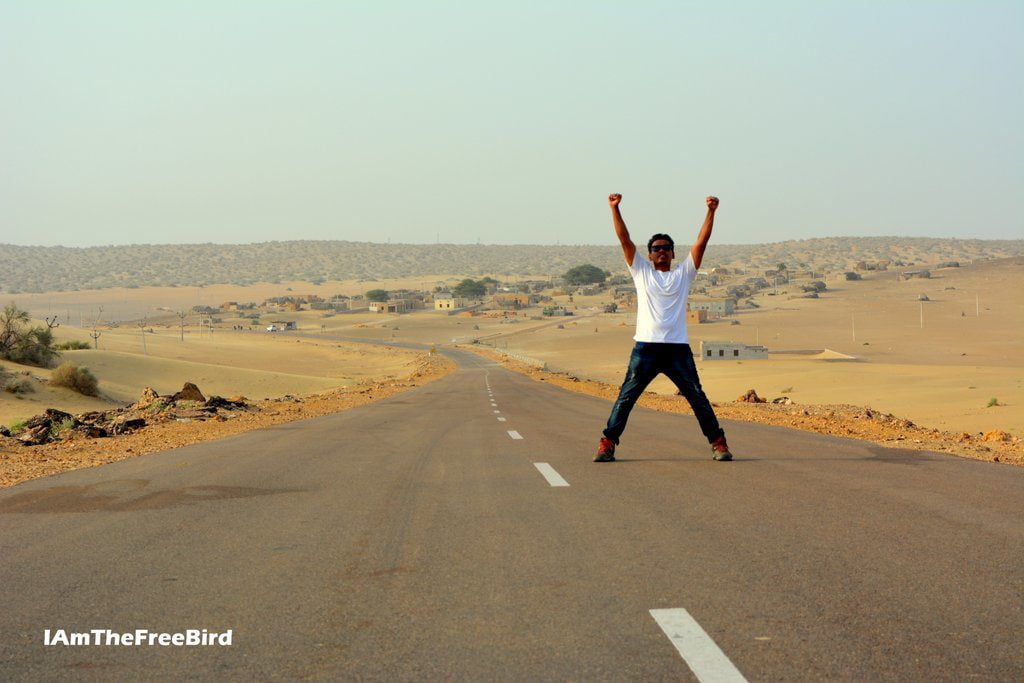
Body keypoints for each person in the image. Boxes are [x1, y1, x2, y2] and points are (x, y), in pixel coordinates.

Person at [595, 193, 733, 462]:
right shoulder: (641, 272)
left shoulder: (684, 274)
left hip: (677, 350)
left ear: (672, 253)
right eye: (656, 248)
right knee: (626, 397)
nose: (661, 251)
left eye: (666, 247)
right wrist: (615, 209)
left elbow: (701, 242)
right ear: (649, 254)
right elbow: (625, 240)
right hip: (645, 348)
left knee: (697, 397)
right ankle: (607, 443)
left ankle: (718, 442)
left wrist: (711, 212)